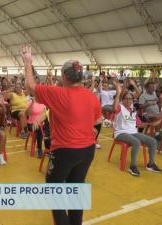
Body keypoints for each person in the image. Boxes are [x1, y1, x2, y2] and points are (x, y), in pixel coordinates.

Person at [21, 45, 100, 225]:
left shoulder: (59, 93)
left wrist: (28, 62)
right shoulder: (91, 96)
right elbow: (97, 121)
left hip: (65, 150)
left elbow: (30, 86)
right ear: (80, 77)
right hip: (88, 150)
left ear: (64, 76)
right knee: (76, 189)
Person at [112, 79, 162, 177]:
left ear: (132, 101)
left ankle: (151, 164)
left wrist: (152, 123)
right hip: (120, 133)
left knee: (152, 141)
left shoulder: (133, 111)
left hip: (132, 133)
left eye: (130, 99)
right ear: (123, 100)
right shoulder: (120, 108)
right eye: (126, 98)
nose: (128, 100)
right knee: (136, 142)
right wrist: (118, 92)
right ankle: (132, 166)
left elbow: (140, 125)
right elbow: (114, 107)